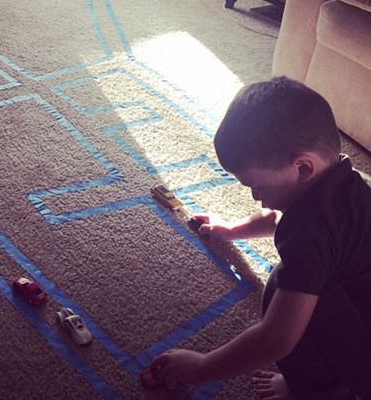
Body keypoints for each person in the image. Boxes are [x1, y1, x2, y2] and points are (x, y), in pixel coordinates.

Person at [146, 76, 371, 400]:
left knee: (284, 283)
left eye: (258, 186)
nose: (254, 196)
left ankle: (316, 391)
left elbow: (277, 337)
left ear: (303, 168)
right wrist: (234, 230)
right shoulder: (347, 181)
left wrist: (201, 367)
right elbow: (287, 216)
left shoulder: (309, 230)